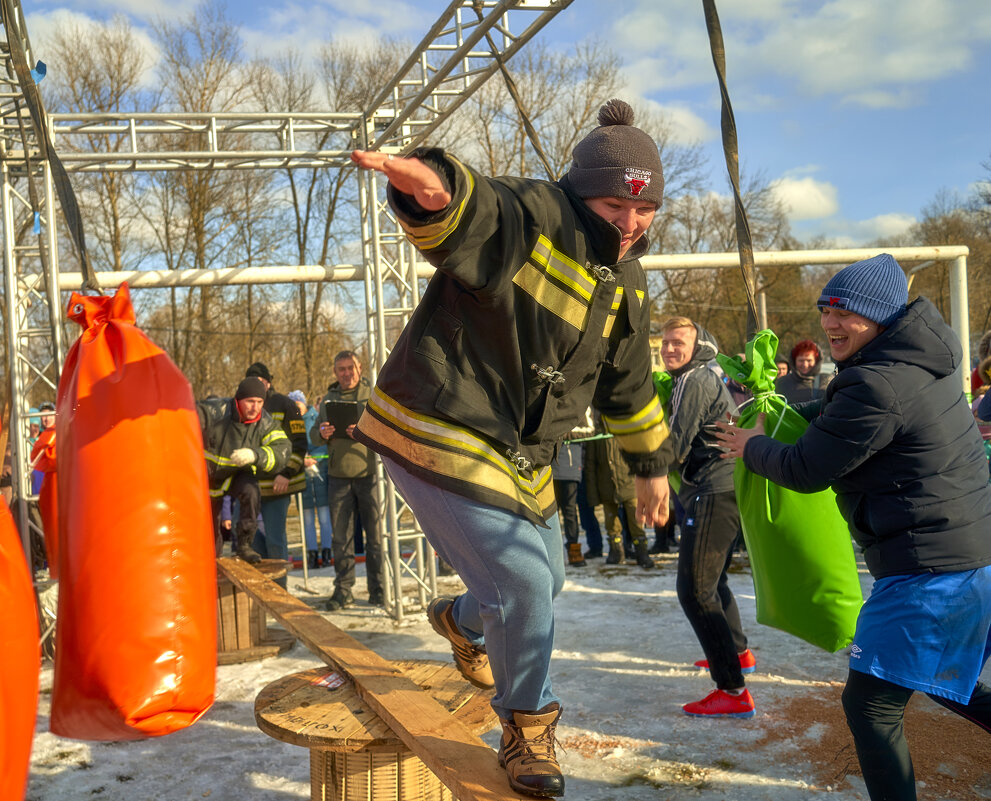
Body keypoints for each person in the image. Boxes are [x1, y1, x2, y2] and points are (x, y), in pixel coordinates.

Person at [349, 98, 672, 798]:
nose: (630, 222)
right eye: (616, 204)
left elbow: (629, 384)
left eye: (643, 210)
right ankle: (527, 727)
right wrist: (432, 188)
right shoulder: (537, 217)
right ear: (582, 192)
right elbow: (478, 210)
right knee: (524, 583)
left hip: (522, 451)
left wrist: (649, 467)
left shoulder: (629, 282)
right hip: (439, 422)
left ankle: (458, 620)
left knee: (546, 578)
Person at [714, 253, 991, 801]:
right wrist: (787, 413)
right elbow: (839, 408)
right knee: (937, 680)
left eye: (845, 312)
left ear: (881, 317)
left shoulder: (878, 384)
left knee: (870, 705)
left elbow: (806, 469)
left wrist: (753, 448)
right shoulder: (915, 365)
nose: (830, 323)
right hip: (966, 556)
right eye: (826, 309)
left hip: (929, 571)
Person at [659, 316, 755, 718]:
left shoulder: (693, 379)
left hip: (713, 491)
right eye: (664, 342)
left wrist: (646, 471)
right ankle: (738, 652)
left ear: (698, 346)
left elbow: (675, 443)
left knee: (695, 590)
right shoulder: (695, 377)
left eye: (678, 342)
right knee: (713, 581)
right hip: (720, 487)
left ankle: (732, 689)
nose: (668, 349)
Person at [313, 350, 385, 610]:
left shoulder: (373, 395)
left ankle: (378, 589)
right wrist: (322, 432)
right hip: (338, 478)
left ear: (360, 368)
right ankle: (343, 590)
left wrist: (365, 432)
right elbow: (314, 435)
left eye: (350, 368)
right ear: (335, 372)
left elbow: (389, 431)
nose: (346, 373)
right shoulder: (328, 399)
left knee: (375, 538)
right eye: (341, 369)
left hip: (369, 476)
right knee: (340, 538)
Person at [198, 377, 291, 563]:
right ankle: (210, 565)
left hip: (235, 474)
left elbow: (283, 448)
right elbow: (184, 415)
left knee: (251, 491)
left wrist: (256, 455)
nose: (255, 407)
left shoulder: (264, 422)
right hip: (204, 476)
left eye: (259, 402)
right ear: (237, 400)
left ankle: (244, 545)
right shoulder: (214, 411)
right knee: (210, 536)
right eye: (250, 401)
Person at [244, 362, 307, 583]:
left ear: (268, 382)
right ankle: (261, 588)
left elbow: (300, 443)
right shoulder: (242, 406)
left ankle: (280, 590)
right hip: (251, 490)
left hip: (278, 487)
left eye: (260, 381)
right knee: (250, 542)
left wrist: (286, 474)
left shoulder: (286, 405)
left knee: (275, 540)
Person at [583, 412, 654, 569]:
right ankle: (616, 552)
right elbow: (590, 466)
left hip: (629, 485)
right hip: (606, 487)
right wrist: (593, 495)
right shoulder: (596, 436)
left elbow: (638, 457)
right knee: (612, 524)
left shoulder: (626, 432)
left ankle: (642, 553)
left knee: (636, 521)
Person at [291, 390, 332, 570]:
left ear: (303, 403)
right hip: (303, 476)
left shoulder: (315, 417)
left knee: (324, 517)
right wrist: (301, 460)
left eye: (298, 405)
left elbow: (323, 442)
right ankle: (312, 554)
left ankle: (327, 552)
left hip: (320, 473)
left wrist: (315, 458)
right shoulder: (290, 422)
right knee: (307, 519)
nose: (296, 409)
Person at [552, 411, 595, 568]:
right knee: (550, 513)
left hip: (569, 467)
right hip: (546, 466)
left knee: (569, 511)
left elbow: (590, 430)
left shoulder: (579, 400)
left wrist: (562, 432)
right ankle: (552, 553)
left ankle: (574, 551)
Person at [775, 339, 825, 405]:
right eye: (801, 361)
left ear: (816, 361)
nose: (805, 365)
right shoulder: (782, 383)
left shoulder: (826, 380)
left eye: (809, 360)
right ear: (794, 361)